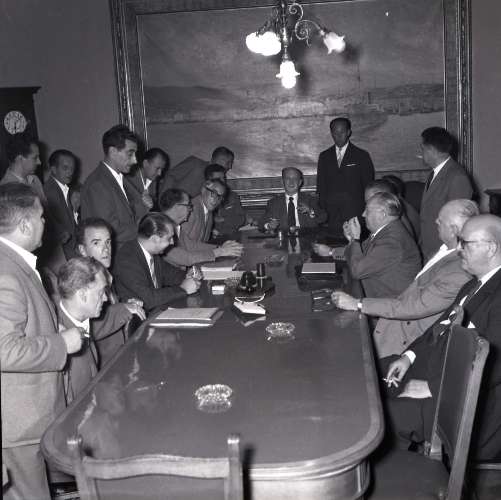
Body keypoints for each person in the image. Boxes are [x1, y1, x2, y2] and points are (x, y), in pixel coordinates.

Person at [382, 214, 501, 461]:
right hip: (435, 371)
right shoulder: (473, 284)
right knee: (368, 378)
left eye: (465, 243)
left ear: (491, 248)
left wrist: (432, 388)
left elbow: (494, 366)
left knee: (380, 420)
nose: (458, 249)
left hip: (463, 403)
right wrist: (409, 357)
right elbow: (440, 328)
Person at [0, 183, 83, 500]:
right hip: (18, 424)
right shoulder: (6, 273)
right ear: (24, 225)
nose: (45, 222)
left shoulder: (15, 263)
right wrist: (62, 344)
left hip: (31, 417)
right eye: (41, 216)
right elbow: (4, 350)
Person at [331, 199, 477, 358]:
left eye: (440, 220)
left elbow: (412, 308)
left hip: (407, 340)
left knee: (340, 349)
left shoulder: (458, 271)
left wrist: (357, 304)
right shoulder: (445, 251)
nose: (435, 221)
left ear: (453, 230)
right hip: (393, 314)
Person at [76, 218, 145, 365]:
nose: (106, 249)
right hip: (103, 365)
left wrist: (127, 304)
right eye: (96, 243)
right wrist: (123, 309)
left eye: (108, 242)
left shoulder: (106, 275)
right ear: (82, 250)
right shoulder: (81, 284)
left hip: (122, 356)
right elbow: (90, 328)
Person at [113, 212, 201, 312]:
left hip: (157, 311)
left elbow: (171, 274)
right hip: (142, 318)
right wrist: (183, 289)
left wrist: (188, 276)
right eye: (169, 238)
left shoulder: (151, 253)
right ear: (155, 239)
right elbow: (148, 299)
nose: (172, 242)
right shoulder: (127, 259)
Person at [342, 192, 421, 298]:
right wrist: (352, 239)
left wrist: (355, 239)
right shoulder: (386, 232)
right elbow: (359, 256)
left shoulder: (392, 241)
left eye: (367, 210)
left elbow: (357, 270)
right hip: (375, 296)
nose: (363, 214)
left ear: (383, 214)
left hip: (391, 304)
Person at [80, 125, 147, 248]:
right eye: (130, 154)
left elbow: (131, 216)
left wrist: (145, 206)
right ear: (113, 152)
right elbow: (111, 230)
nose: (135, 160)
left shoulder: (120, 178)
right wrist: (147, 229)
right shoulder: (98, 183)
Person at [57, 257, 109, 403]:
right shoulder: (58, 338)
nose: (106, 298)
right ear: (82, 295)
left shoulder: (82, 321)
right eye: (101, 293)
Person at [419, 127, 473, 259]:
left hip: (444, 251)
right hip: (429, 247)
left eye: (422, 148)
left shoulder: (457, 177)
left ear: (431, 150)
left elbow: (458, 223)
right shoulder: (435, 173)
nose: (421, 153)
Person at [316, 117, 375, 237]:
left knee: (355, 246)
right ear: (331, 133)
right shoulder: (324, 156)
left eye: (342, 132)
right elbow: (321, 186)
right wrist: (323, 213)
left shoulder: (361, 155)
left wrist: (367, 212)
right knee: (332, 245)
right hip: (331, 216)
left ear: (348, 132)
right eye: (335, 133)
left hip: (355, 215)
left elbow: (368, 185)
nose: (338, 136)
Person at [159, 188, 242, 267]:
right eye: (188, 206)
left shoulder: (174, 226)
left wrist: (220, 248)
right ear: (177, 207)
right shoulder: (160, 230)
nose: (191, 210)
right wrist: (220, 252)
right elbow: (187, 259)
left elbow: (192, 246)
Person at [176, 180, 243, 260]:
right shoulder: (191, 210)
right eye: (214, 193)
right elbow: (183, 246)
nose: (216, 200)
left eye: (220, 197)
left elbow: (200, 244)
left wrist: (220, 248)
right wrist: (219, 250)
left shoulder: (208, 210)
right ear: (203, 190)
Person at [259, 167, 326, 232]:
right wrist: (269, 226)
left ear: (300, 182)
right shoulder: (274, 203)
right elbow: (261, 224)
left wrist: (310, 211)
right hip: (282, 237)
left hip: (306, 237)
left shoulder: (310, 199)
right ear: (282, 182)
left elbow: (323, 217)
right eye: (288, 178)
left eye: (295, 179)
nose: (291, 182)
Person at [44, 149, 78, 259]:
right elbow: (62, 231)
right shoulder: (50, 191)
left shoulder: (65, 188)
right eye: (65, 168)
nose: (70, 172)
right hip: (63, 255)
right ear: (53, 169)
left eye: (72, 168)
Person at [162, 146, 234, 197]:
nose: (230, 167)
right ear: (220, 159)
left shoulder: (219, 180)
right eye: (228, 162)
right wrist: (164, 200)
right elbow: (170, 175)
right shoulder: (195, 163)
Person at [0, 132, 46, 205]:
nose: (39, 162)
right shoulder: (6, 190)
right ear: (20, 158)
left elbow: (46, 208)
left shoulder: (35, 180)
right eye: (35, 158)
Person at [204, 163, 246, 236]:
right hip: (209, 238)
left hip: (230, 236)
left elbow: (241, 219)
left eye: (223, 178)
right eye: (218, 179)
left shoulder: (233, 196)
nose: (222, 181)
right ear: (208, 181)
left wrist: (223, 219)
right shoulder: (202, 198)